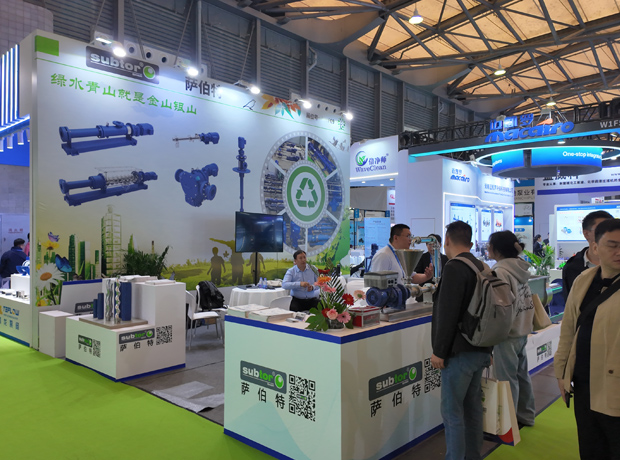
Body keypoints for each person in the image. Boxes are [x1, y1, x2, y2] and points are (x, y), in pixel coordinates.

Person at [554, 218, 620, 459]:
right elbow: (568, 329)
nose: (619, 252)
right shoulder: (584, 280)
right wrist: (562, 372)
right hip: (583, 384)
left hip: (614, 386)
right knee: (591, 447)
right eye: (612, 245)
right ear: (595, 247)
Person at [431, 221, 492, 460]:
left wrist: (439, 351)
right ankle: (472, 455)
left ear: (447, 240)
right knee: (472, 408)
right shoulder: (481, 266)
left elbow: (447, 313)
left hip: (459, 352)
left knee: (452, 412)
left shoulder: (455, 268)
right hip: (480, 347)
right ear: (470, 241)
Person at [487, 230, 536, 427]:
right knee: (521, 376)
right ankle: (526, 415)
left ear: (496, 249)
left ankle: (508, 425)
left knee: (506, 380)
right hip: (522, 329)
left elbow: (501, 308)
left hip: (506, 334)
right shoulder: (519, 267)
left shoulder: (500, 272)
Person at [562, 210, 613, 302]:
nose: (608, 234)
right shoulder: (572, 267)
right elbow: (570, 303)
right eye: (601, 230)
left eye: (611, 229)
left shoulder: (616, 263)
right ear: (586, 234)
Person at [414, 233, 449, 302]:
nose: (432, 247)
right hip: (425, 294)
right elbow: (416, 274)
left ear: (440, 245)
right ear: (426, 245)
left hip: (441, 294)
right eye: (429, 245)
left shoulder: (446, 258)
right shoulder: (421, 257)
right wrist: (426, 275)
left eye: (434, 245)